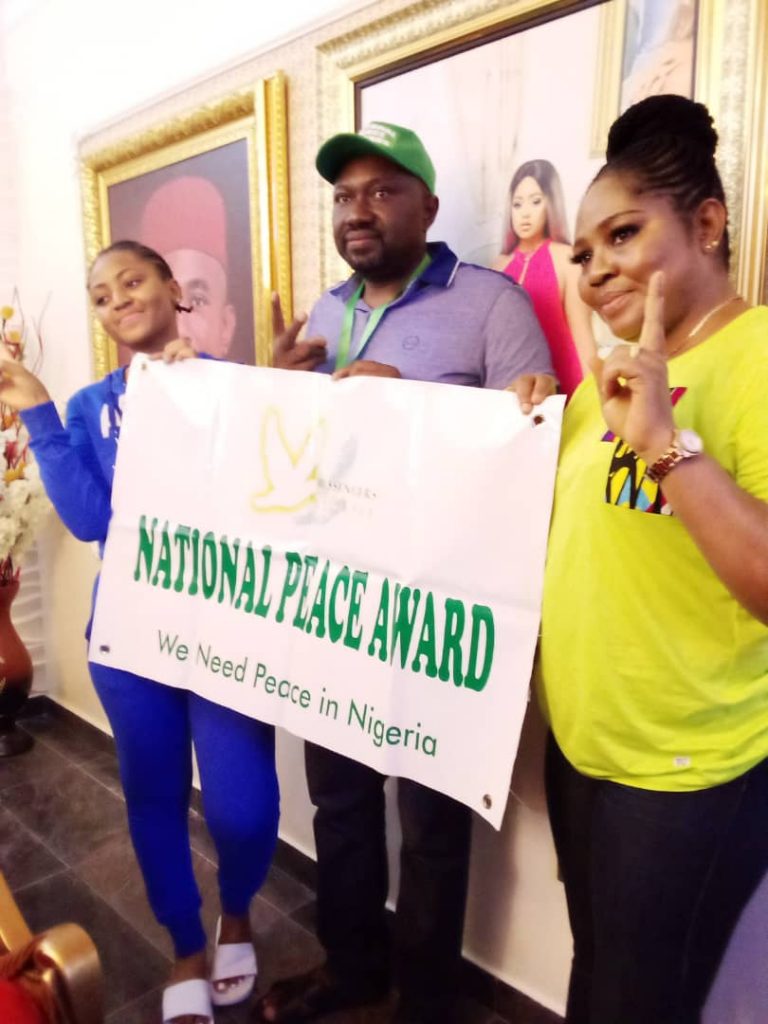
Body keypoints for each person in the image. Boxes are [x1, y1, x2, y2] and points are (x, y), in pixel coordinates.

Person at [258, 121, 556, 1024]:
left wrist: (412, 410)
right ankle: (351, 969)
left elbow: (532, 454)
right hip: (337, 608)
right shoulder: (323, 314)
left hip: (437, 615)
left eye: (383, 191)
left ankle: (425, 998)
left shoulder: (493, 304)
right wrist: (277, 389)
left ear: (428, 205)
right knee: (340, 804)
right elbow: (291, 466)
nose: (359, 210)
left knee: (432, 824)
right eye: (345, 195)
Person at [0, 240, 280, 1024]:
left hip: (227, 632)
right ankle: (186, 944)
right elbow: (92, 519)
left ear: (172, 289)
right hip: (130, 641)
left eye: (132, 281)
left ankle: (237, 914)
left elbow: (268, 493)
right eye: (101, 294)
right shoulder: (89, 407)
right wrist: (39, 410)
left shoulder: (231, 385)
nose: (117, 299)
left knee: (243, 808)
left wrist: (195, 395)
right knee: (152, 796)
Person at [538, 94, 768, 1024]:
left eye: (623, 234)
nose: (596, 269)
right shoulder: (605, 385)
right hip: (582, 750)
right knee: (596, 971)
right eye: (583, 252)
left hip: (683, 774)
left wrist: (668, 445)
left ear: (707, 225)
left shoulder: (758, 357)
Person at [493, 159, 594, 398]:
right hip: (510, 390)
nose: (525, 213)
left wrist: (594, 399)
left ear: (551, 203)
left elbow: (582, 336)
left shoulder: (568, 258)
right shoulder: (498, 266)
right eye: (517, 204)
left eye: (536, 201)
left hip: (564, 384)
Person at [140, 176, 238, 359]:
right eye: (167, 304)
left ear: (226, 327)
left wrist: (281, 370)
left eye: (198, 301)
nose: (181, 330)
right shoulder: (127, 377)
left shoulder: (246, 379)